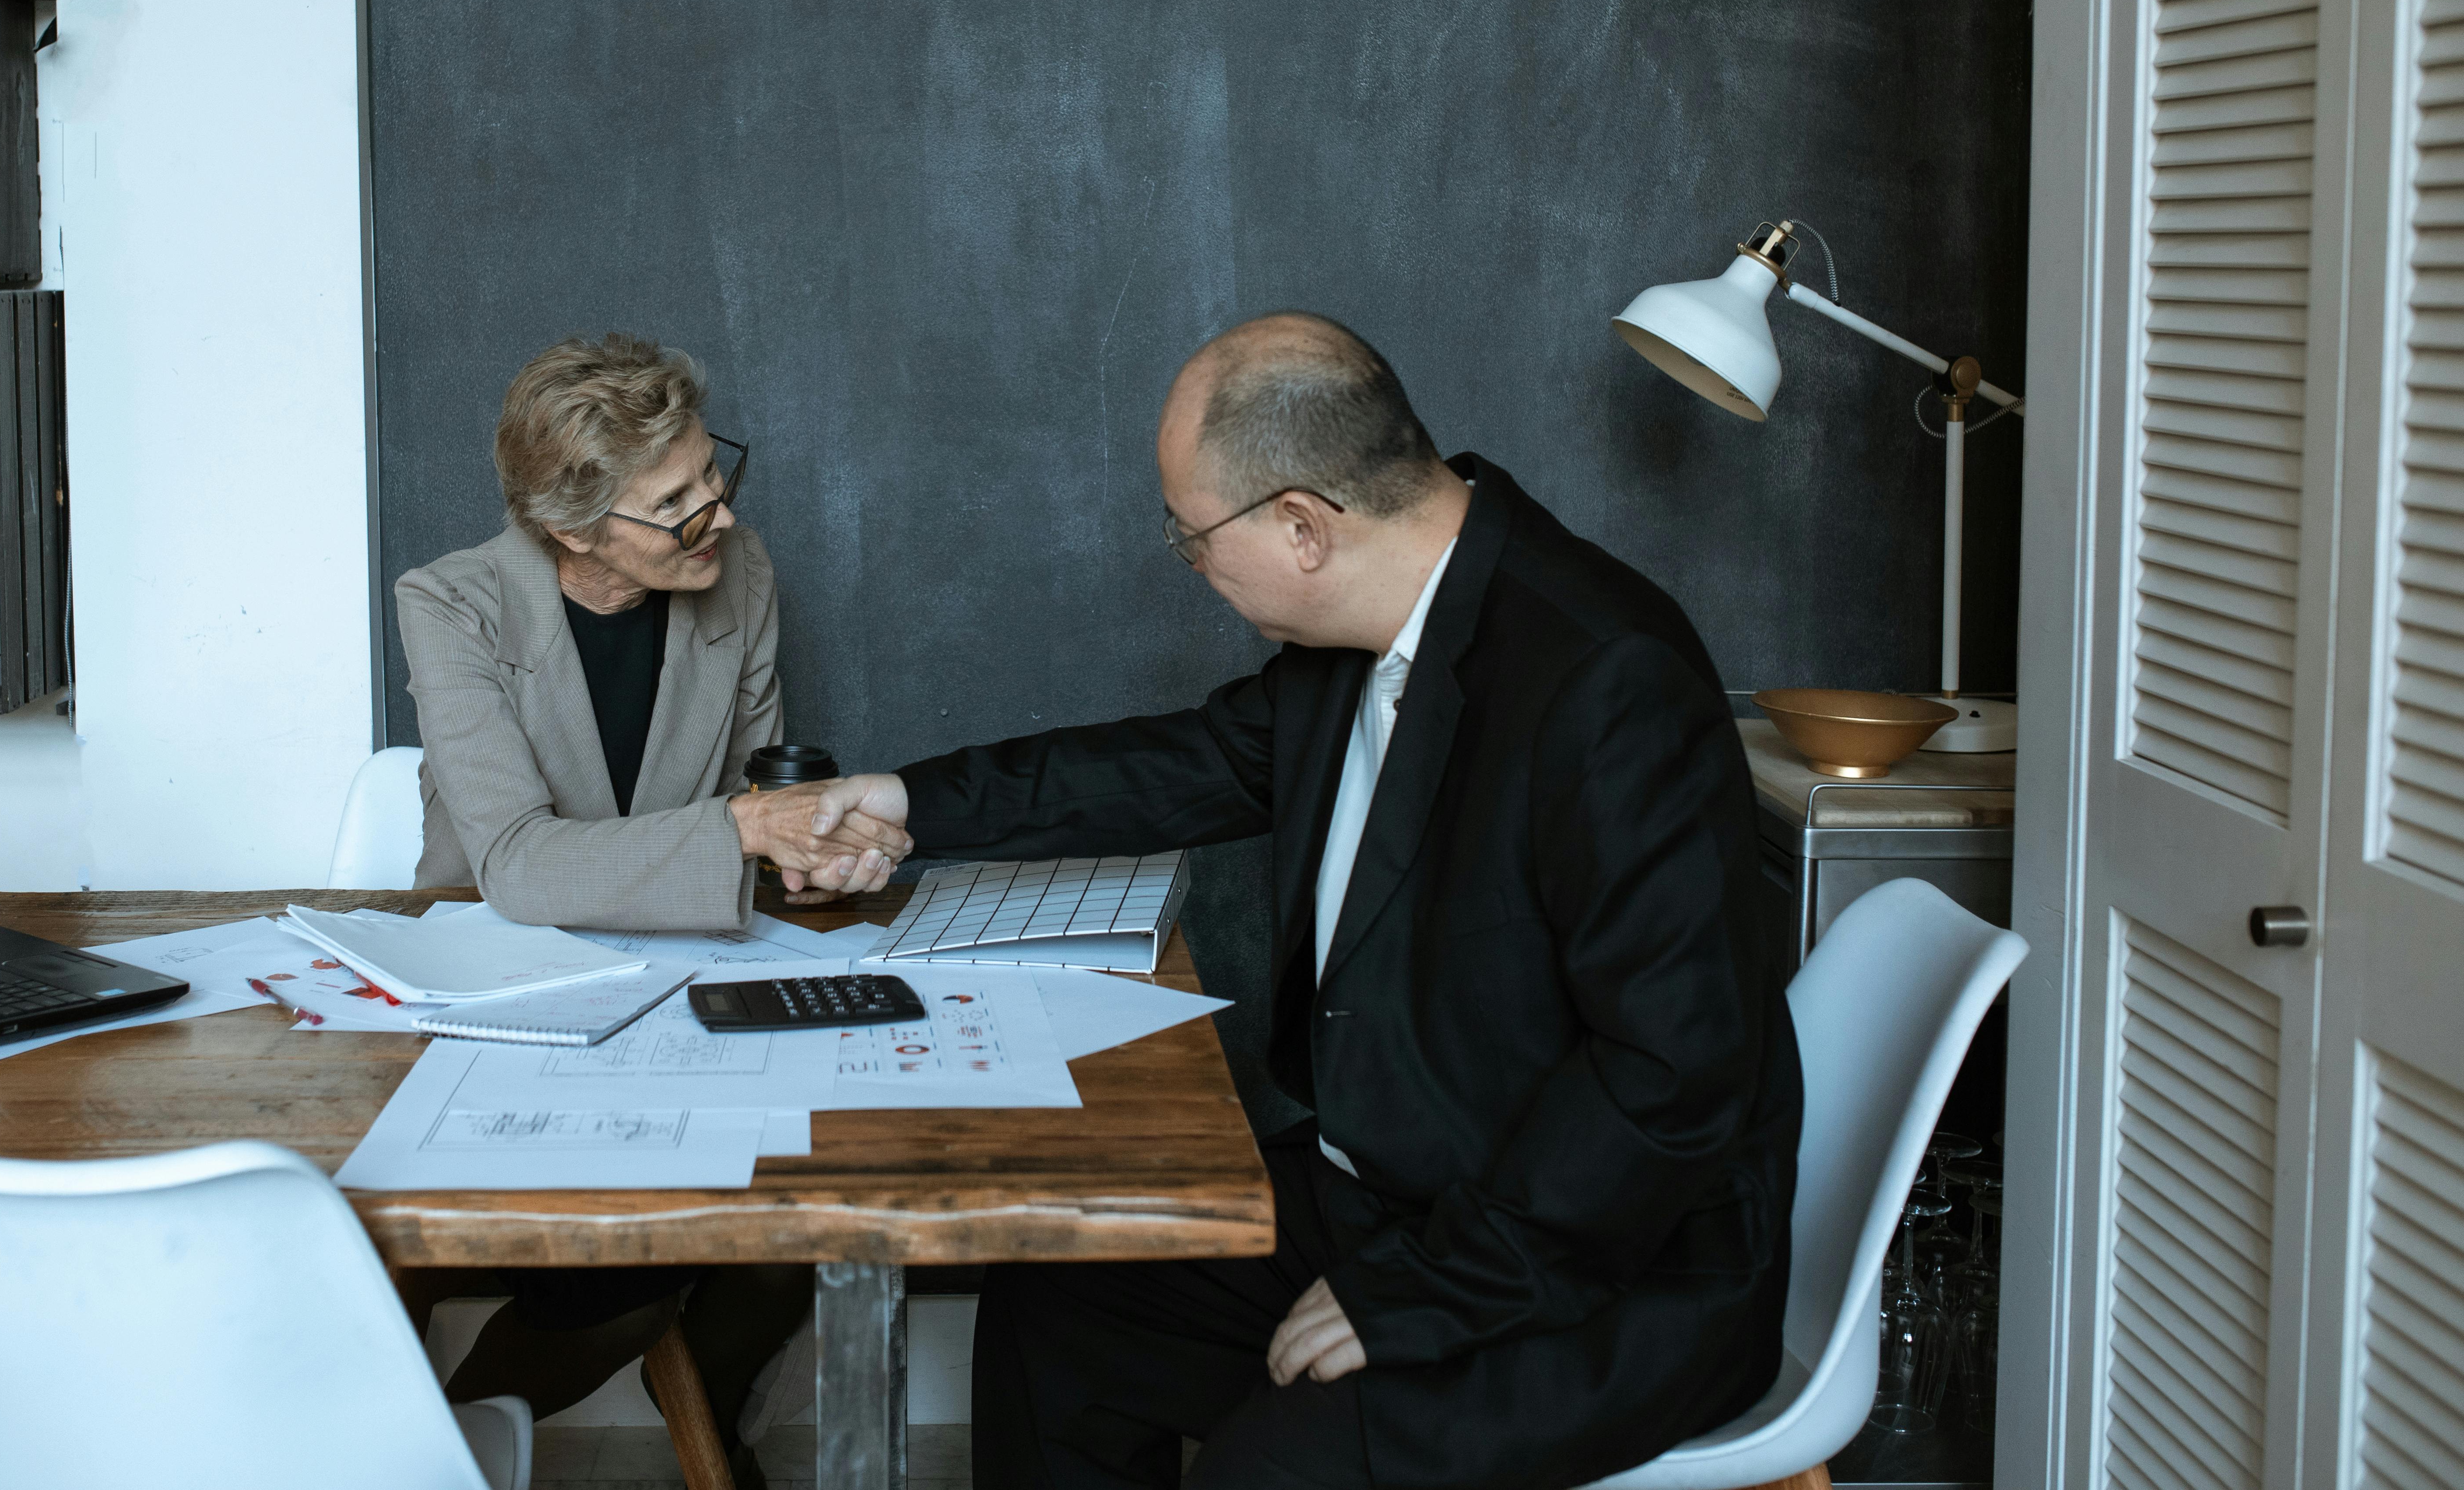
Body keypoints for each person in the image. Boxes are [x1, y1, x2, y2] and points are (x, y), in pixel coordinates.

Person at [793, 313, 1803, 1490]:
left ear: (1301, 526)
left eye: (1188, 537)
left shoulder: (1605, 679)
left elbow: (1669, 1080)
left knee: (1268, 1469)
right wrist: (906, 803)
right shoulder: (1357, 645)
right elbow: (1169, 766)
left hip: (1601, 1265)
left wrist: (1432, 1289)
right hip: (1399, 1199)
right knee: (1058, 1303)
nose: (1189, 565)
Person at [393, 333, 905, 1490]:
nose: (714, 514)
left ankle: (697, 1407)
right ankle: (456, 1434)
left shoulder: (745, 570)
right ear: (573, 529)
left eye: (711, 474)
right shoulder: (451, 604)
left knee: (799, 1212)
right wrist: (741, 833)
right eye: (674, 503)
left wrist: (809, 855)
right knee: (624, 1257)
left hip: (676, 976)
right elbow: (516, 865)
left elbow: (755, 787)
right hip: (494, 998)